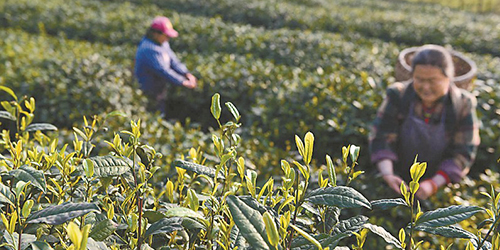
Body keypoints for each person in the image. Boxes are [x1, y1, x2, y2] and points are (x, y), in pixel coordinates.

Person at [369, 44, 480, 200]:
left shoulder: (462, 104)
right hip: (395, 177)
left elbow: (463, 153)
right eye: (419, 79)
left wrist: (433, 184)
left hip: (438, 186)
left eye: (433, 80)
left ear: (448, 78)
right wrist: (388, 174)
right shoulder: (398, 95)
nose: (425, 87)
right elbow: (381, 137)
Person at [135, 16, 197, 115]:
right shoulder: (149, 48)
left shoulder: (163, 43)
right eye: (166, 36)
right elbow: (163, 70)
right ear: (155, 34)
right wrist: (182, 82)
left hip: (160, 87)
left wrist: (186, 73)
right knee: (154, 113)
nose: (168, 39)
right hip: (149, 89)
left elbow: (173, 60)